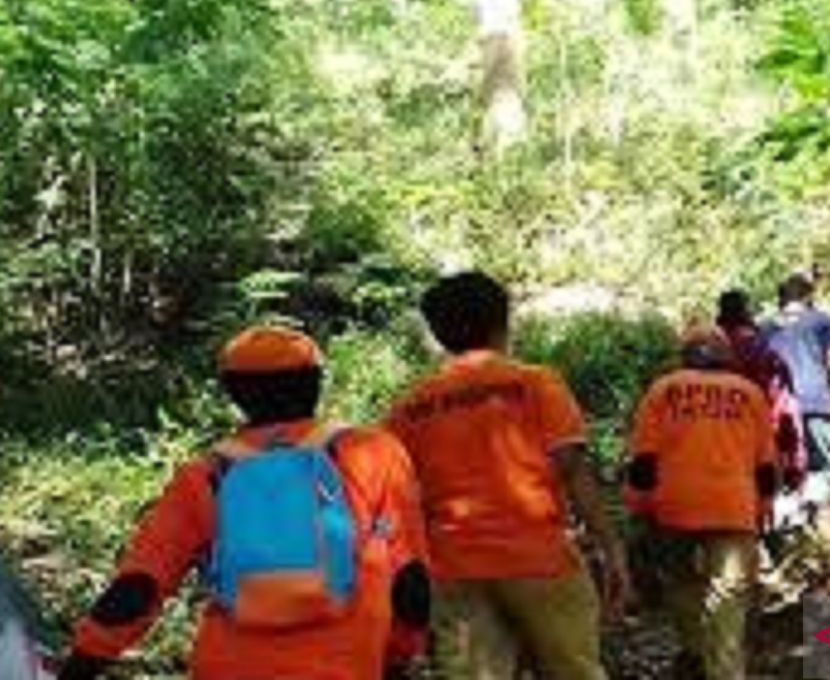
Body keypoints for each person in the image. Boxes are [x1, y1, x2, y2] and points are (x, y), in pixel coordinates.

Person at [60, 326, 430, 680]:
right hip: (343, 666)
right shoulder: (374, 453)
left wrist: (81, 666)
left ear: (233, 393)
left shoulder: (205, 476)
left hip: (229, 667)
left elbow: (138, 588)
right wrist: (398, 657)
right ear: (316, 382)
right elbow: (411, 580)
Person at [386, 271, 628, 680]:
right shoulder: (536, 384)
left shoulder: (408, 408)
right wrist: (611, 547)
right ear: (503, 322)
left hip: (454, 566)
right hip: (539, 558)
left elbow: (398, 494)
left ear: (439, 334)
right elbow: (572, 470)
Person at [624, 326, 776, 680]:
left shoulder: (663, 390)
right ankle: (723, 669)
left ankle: (693, 651)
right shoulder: (750, 393)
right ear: (726, 356)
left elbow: (644, 459)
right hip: (735, 508)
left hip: (674, 507)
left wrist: (639, 507)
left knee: (680, 582)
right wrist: (764, 505)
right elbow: (766, 464)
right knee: (728, 596)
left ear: (685, 354)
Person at [762, 273, 830, 534]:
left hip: (778, 409)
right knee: (826, 467)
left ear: (781, 297)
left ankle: (788, 529)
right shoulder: (820, 321)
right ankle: (815, 522)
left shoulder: (765, 326)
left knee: (786, 471)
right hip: (816, 403)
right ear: (808, 296)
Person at [715, 290, 802, 496]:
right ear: (747, 313)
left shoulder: (706, 350)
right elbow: (784, 409)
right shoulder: (762, 352)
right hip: (758, 438)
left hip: (715, 441)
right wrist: (795, 464)